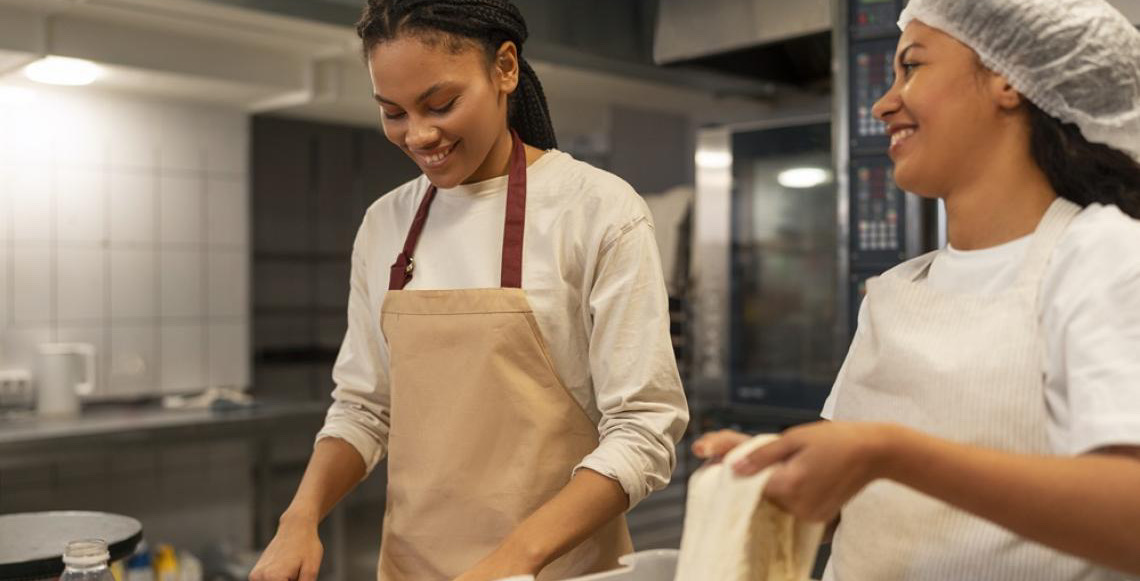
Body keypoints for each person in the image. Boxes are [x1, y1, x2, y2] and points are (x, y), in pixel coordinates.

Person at [694, 0, 1140, 579]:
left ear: (1009, 77)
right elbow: (849, 493)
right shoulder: (899, 290)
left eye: (912, 66)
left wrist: (890, 454)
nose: (882, 103)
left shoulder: (1104, 256)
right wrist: (769, 472)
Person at [249, 1, 688, 580]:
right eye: (393, 113)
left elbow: (643, 430)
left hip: (555, 571)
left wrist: (507, 564)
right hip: (412, 567)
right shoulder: (386, 222)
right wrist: (298, 520)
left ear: (504, 68)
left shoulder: (598, 211)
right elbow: (363, 407)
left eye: (441, 104)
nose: (419, 134)